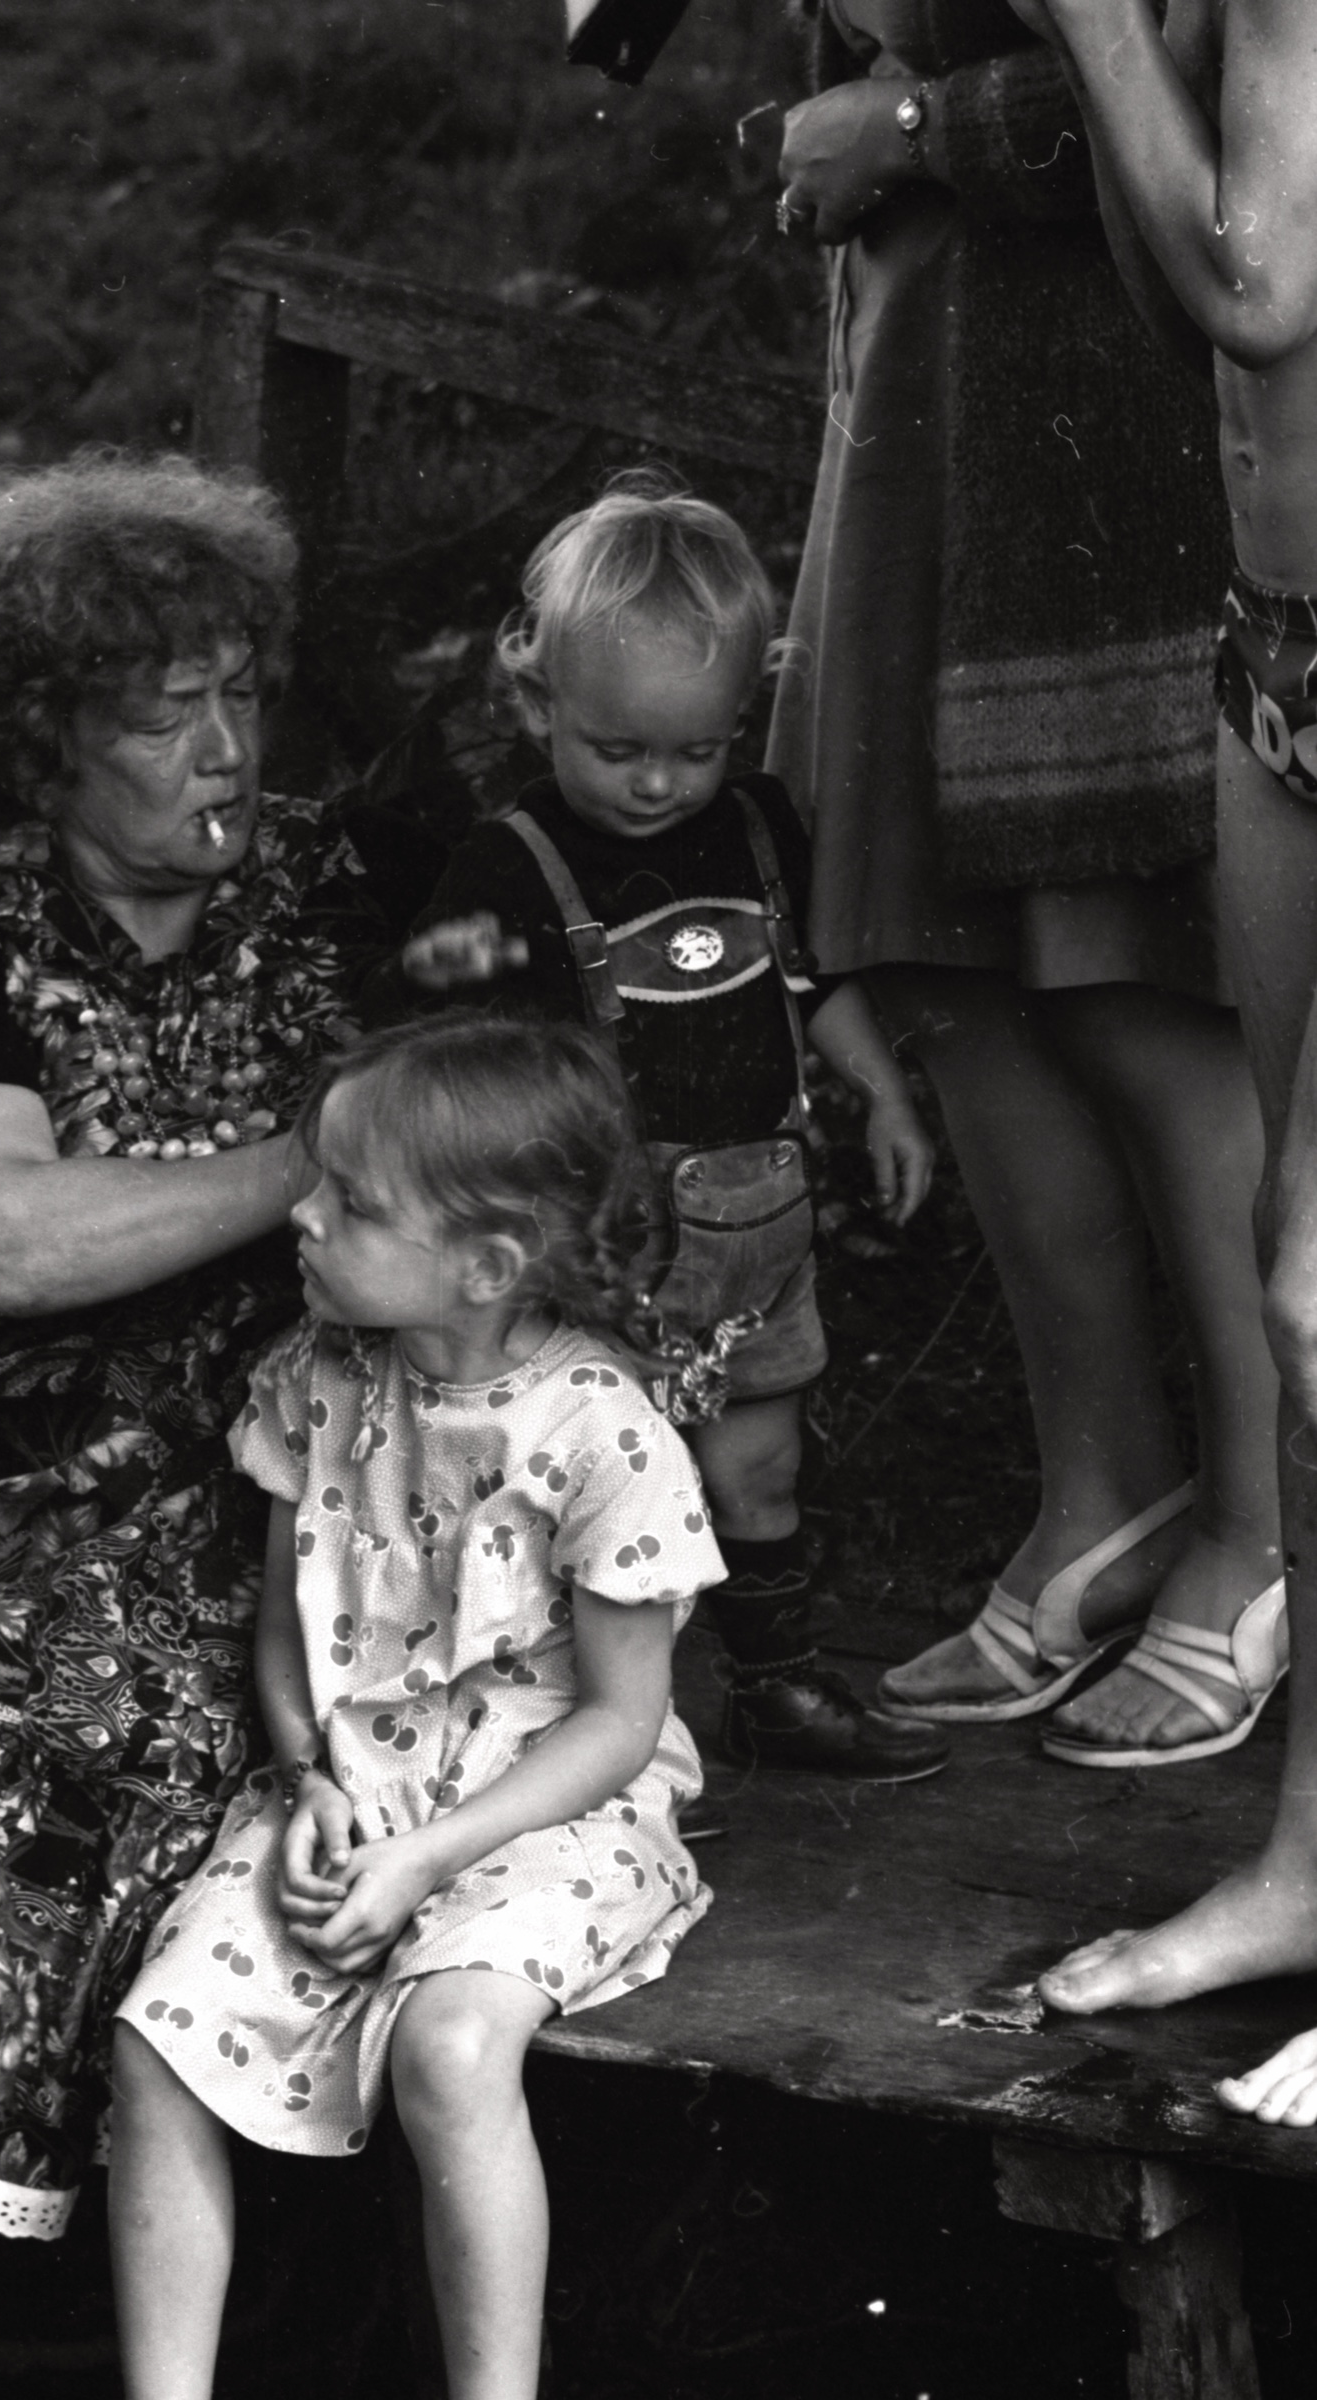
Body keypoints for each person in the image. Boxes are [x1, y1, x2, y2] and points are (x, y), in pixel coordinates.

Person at [0, 450, 400, 2241]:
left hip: (270, 1495)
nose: (225, 752)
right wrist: (322, 1153)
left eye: (240, 696)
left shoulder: (367, 901)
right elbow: (5, 1240)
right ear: (39, 746)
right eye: (164, 717)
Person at [768, 0, 1284, 1769]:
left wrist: (921, 129)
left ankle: (1262, 1526)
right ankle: (1108, 1488)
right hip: (926, 367)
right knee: (947, 958)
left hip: (1114, 391)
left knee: (1138, 973)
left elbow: (1236, 116)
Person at [107, 1013, 722, 2400]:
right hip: (353, 1791)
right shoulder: (319, 1375)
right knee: (158, 2041)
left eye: (354, 1201)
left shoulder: (601, 1434)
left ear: (487, 1262)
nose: (304, 1215)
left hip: (551, 1813)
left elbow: (619, 1726)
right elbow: (287, 1625)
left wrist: (430, 1858)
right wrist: (310, 1780)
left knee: (452, 2044)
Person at [362, 476, 948, 1782]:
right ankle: (597, 1742)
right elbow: (441, 1046)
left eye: (696, 750)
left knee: (760, 1470)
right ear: (540, 704)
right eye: (618, 749)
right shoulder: (513, 864)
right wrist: (445, 980)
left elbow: (816, 981)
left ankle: (778, 1690)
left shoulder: (758, 830)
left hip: (760, 1230)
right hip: (604, 1254)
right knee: (605, 1495)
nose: (658, 784)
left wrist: (888, 1095)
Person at [978, 0, 1317, 2119]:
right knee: (1304, 1313)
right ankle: (1308, 1869)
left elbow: (1260, 283)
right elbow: (1175, 281)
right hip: (1282, 652)